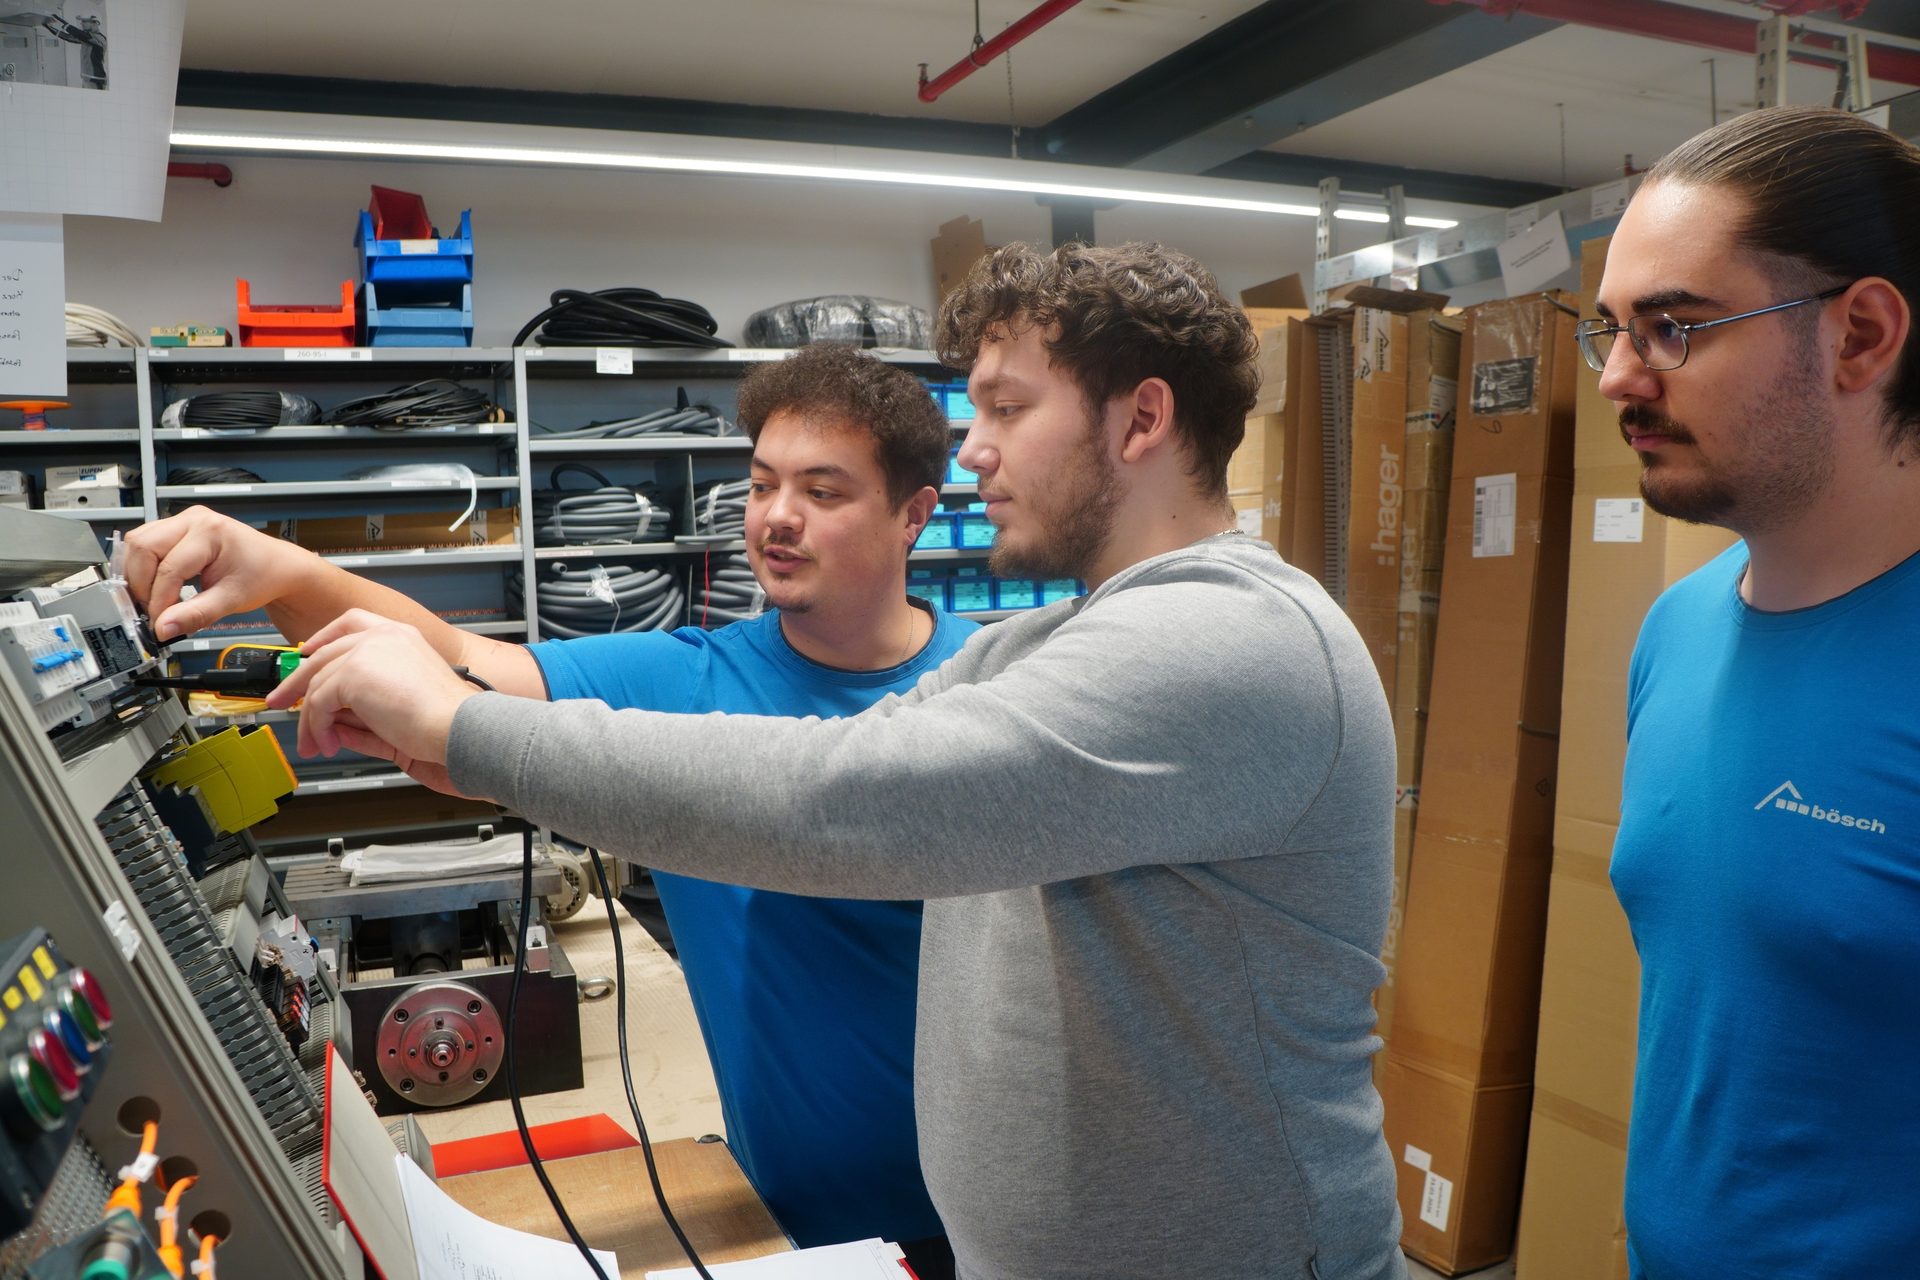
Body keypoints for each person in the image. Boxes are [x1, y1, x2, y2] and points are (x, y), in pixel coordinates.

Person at [269, 241, 1406, 1280]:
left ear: (1143, 419)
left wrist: (469, 733)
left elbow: (851, 803)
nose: (973, 445)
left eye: (1008, 405)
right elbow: (814, 748)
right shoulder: (1052, 640)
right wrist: (452, 728)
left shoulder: (1230, 639)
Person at [124, 344, 971, 1272]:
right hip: (782, 1219)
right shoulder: (687, 679)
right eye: (762, 483)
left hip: (987, 1213)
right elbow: (452, 668)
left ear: (914, 515)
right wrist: (280, 568)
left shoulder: (993, 694)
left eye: (824, 491)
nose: (777, 517)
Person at [1581, 105, 1920, 1278]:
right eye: (1614, 330)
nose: (1622, 375)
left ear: (1862, 335)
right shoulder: (1673, 632)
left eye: (1675, 327)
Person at [43, 13, 105, 88]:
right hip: (86, 78)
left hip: (96, 80)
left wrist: (59, 20)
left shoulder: (100, 38)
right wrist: (48, 27)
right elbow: (68, 37)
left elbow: (80, 34)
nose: (82, 23)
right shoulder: (87, 38)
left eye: (85, 21)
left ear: (95, 23)